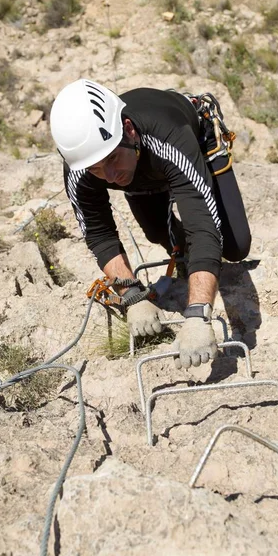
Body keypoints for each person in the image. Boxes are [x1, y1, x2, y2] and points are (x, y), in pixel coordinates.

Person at [50, 78, 251, 370]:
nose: (108, 176)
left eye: (111, 159)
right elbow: (99, 234)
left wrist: (197, 314)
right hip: (139, 168)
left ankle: (199, 263)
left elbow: (203, 226)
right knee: (157, 232)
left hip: (183, 147)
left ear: (128, 130)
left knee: (234, 246)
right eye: (96, 168)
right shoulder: (82, 165)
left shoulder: (171, 138)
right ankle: (188, 258)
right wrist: (130, 293)